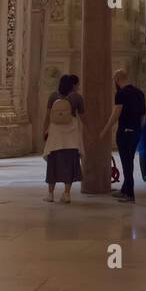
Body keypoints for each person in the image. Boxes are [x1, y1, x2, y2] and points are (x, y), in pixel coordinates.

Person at [100, 68, 145, 203]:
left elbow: (116, 114)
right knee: (129, 161)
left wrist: (105, 130)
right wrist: (138, 130)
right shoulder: (139, 93)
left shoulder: (121, 94)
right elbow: (143, 114)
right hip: (136, 132)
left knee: (126, 164)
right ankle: (125, 189)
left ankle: (130, 194)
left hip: (125, 132)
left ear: (118, 80)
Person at [42, 74, 84, 203]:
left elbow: (48, 116)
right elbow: (83, 117)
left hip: (55, 134)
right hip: (71, 135)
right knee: (69, 164)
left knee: (53, 163)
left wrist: (44, 130)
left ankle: (50, 194)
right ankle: (66, 194)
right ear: (73, 85)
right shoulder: (77, 98)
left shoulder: (53, 96)